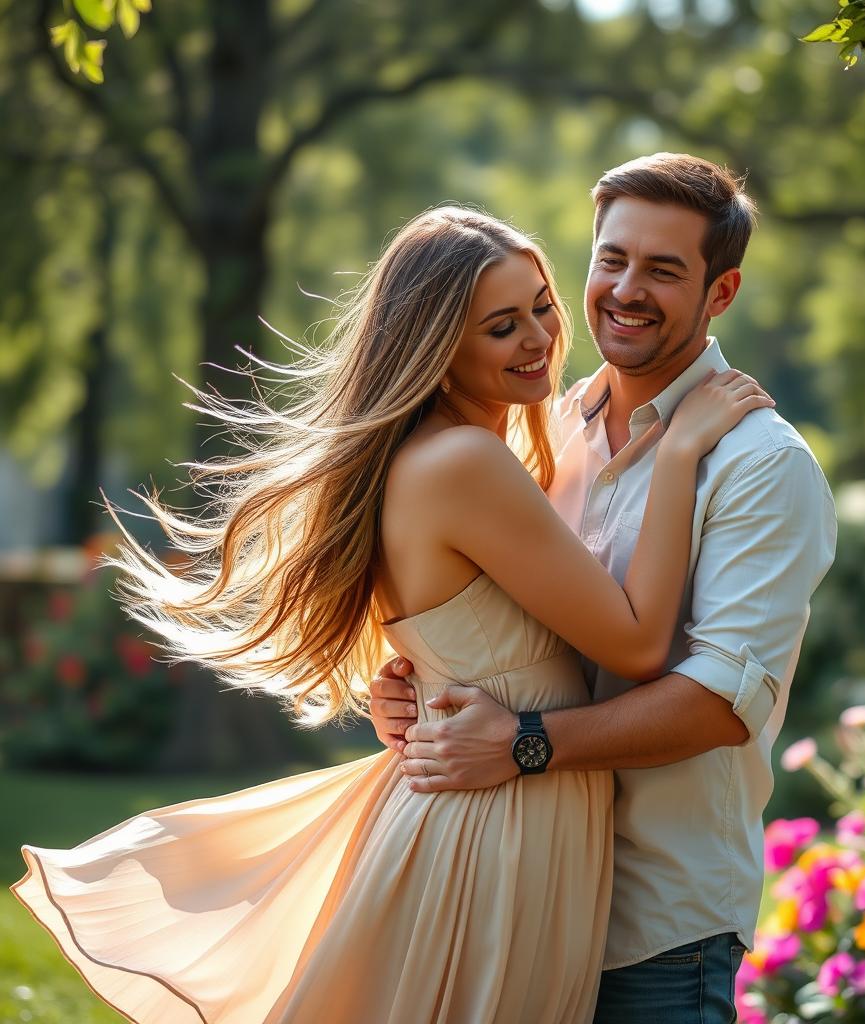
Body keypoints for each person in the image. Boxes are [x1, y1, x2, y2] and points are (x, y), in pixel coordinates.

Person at [11, 205, 772, 1023]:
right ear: (439, 346)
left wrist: (409, 685)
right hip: (497, 825)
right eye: (501, 326)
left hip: (503, 808)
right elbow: (640, 640)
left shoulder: (470, 453)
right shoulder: (466, 461)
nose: (540, 339)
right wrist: (683, 451)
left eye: (543, 306)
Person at [369, 154, 839, 1022]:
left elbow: (714, 704)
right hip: (513, 887)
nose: (626, 290)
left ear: (721, 292)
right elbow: (503, 620)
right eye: (611, 259)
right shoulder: (538, 430)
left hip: (651, 926)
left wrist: (523, 743)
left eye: (664, 270)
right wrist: (422, 682)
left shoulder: (762, 465)